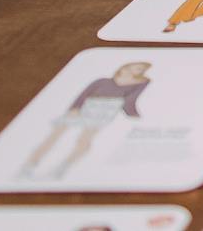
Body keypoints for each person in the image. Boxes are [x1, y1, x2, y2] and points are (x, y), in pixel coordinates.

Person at [18, 61, 151, 179]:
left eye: (140, 69)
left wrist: (133, 115)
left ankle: (64, 166)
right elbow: (84, 94)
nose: (135, 70)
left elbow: (129, 100)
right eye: (133, 67)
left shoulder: (141, 82)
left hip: (106, 111)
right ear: (123, 67)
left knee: (85, 139)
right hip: (88, 105)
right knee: (55, 135)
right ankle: (30, 164)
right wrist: (75, 108)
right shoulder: (101, 81)